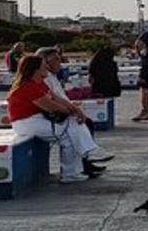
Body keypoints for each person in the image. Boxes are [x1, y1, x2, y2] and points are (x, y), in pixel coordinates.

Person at [9, 55, 112, 183]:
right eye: (43, 65)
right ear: (35, 69)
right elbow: (51, 106)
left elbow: (57, 99)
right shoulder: (28, 87)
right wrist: (73, 112)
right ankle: (89, 152)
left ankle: (74, 171)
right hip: (26, 123)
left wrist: (76, 110)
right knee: (70, 127)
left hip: (37, 119)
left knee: (69, 138)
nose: (46, 67)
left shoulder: (39, 84)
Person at [36, 47, 116, 175]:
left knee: (84, 123)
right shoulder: (45, 79)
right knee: (76, 126)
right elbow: (53, 101)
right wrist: (72, 111)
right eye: (56, 59)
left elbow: (59, 97)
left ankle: (86, 161)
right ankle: (85, 160)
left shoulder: (51, 77)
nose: (60, 62)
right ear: (45, 62)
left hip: (56, 112)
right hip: (45, 116)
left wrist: (73, 109)